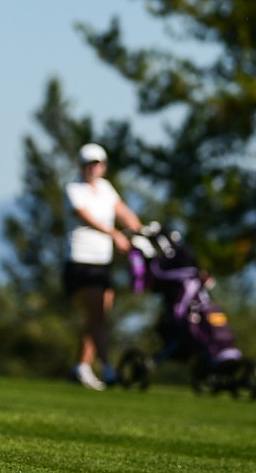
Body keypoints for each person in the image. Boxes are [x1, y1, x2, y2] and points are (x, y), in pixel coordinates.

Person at [62, 142, 142, 390]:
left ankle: (81, 367)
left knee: (98, 318)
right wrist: (114, 234)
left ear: (103, 167)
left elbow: (124, 212)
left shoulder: (106, 189)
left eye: (96, 164)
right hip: (81, 262)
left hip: (102, 263)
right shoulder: (73, 189)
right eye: (87, 164)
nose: (92, 168)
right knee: (97, 317)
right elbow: (86, 216)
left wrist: (140, 231)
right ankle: (107, 369)